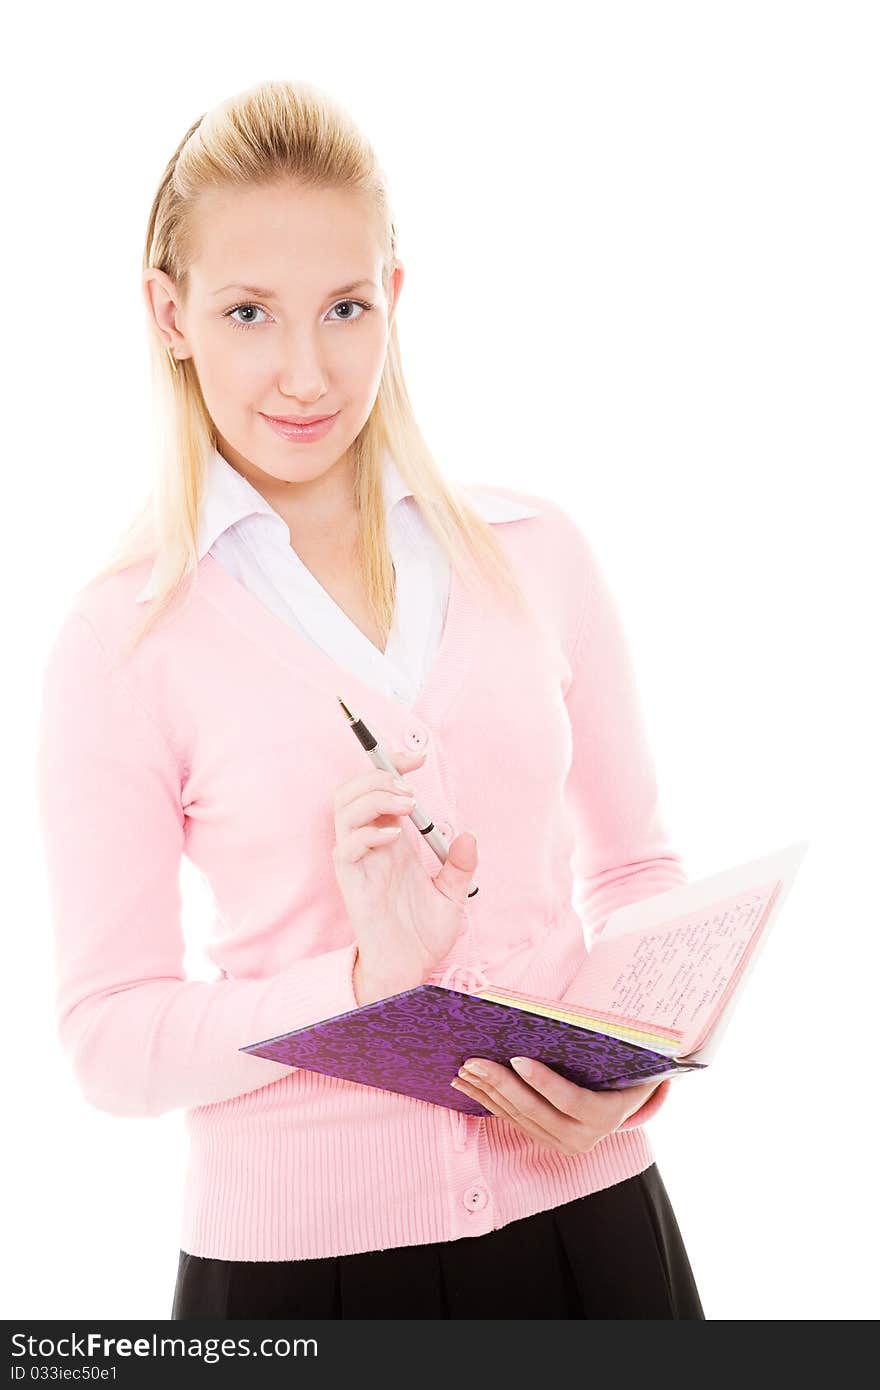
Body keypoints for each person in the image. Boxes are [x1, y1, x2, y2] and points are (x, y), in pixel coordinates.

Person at [36, 78, 705, 1320]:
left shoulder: (534, 549)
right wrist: (356, 982)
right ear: (169, 315)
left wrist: (633, 1063)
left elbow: (636, 875)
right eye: (248, 313)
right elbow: (108, 1041)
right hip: (296, 1284)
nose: (305, 372)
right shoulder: (119, 640)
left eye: (344, 306)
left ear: (394, 292)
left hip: (598, 1231)